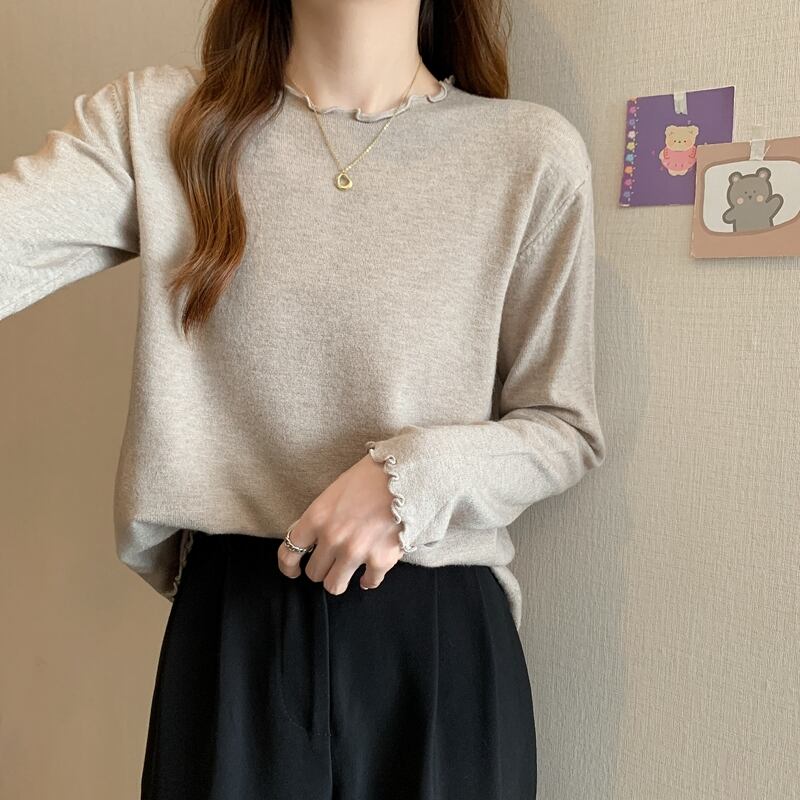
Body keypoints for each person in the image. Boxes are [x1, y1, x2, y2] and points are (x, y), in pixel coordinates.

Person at [0, 0, 607, 797]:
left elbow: (563, 427)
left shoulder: (529, 153)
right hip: (235, 636)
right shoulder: (163, 124)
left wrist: (413, 479)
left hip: (435, 639)